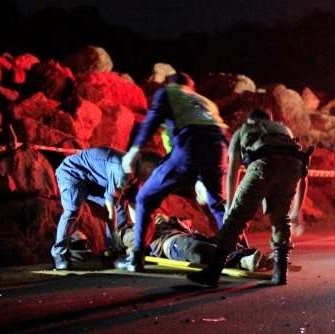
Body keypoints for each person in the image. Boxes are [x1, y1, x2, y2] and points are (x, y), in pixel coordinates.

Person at [117, 72, 229, 272]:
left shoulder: (168, 93)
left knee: (144, 198)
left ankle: (136, 257)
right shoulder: (205, 102)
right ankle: (237, 251)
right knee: (218, 205)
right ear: (191, 86)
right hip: (218, 152)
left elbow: (151, 121)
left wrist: (134, 150)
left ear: (172, 83)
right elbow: (221, 134)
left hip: (189, 147)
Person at [187, 108, 312, 287]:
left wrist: (229, 207)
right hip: (292, 167)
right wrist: (296, 211)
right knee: (281, 218)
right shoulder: (283, 130)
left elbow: (232, 173)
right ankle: (280, 273)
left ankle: (213, 272)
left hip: (263, 164)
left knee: (237, 217)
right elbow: (303, 173)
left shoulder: (243, 131)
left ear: (250, 120)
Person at [51, 147, 160, 270]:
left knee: (119, 210)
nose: (152, 176)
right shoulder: (124, 170)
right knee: (73, 209)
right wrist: (114, 235)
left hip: (95, 182)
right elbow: (110, 205)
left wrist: (138, 234)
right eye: (152, 170)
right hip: (73, 173)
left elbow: (133, 203)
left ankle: (113, 252)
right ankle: (59, 253)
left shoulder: (138, 176)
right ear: (143, 162)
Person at [120, 213, 272, 272]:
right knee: (196, 249)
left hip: (190, 235)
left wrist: (171, 220)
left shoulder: (161, 220)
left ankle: (254, 256)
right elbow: (138, 246)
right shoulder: (130, 232)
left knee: (219, 241)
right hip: (171, 243)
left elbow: (187, 226)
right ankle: (243, 261)